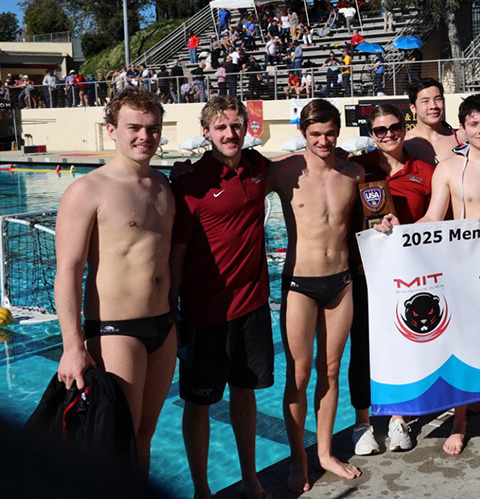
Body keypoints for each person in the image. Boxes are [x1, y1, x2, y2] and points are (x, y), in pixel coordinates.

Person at [375, 94, 480, 455]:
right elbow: (433, 218)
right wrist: (399, 231)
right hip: (466, 267)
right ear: (462, 130)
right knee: (465, 344)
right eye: (474, 124)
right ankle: (460, 422)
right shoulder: (449, 168)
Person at [55, 87, 175, 478]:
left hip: (163, 325)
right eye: (134, 128)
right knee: (115, 439)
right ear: (111, 131)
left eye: (153, 128)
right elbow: (68, 271)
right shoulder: (87, 190)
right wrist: (72, 346)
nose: (145, 137)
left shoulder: (164, 186)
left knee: (145, 434)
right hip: (115, 330)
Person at [170, 97, 274, 499]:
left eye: (236, 125)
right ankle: (201, 490)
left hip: (252, 306)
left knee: (244, 393)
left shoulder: (259, 168)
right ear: (207, 132)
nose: (230, 134)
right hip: (205, 313)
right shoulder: (189, 183)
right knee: (199, 404)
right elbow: (176, 256)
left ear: (247, 127)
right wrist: (174, 314)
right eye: (220, 127)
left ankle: (250, 478)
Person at [268, 99, 365, 491]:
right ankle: (298, 459)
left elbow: (373, 220)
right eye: (315, 134)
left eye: (329, 133)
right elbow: (238, 183)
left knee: (330, 370)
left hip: (340, 283)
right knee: (299, 374)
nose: (323, 141)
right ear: (304, 133)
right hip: (299, 285)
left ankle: (325, 452)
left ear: (337, 132)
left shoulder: (354, 173)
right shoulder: (285, 170)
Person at [347, 104, 435, 456]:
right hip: (365, 274)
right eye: (379, 130)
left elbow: (437, 219)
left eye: (394, 127)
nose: (388, 135)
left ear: (404, 126)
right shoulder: (357, 168)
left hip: (407, 278)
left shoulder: (424, 172)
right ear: (371, 134)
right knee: (363, 349)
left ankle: (399, 416)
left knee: (402, 347)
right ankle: (363, 422)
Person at [403, 78, 461, 166]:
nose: (433, 106)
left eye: (438, 99)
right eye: (425, 101)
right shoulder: (403, 143)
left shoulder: (461, 138)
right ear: (413, 108)